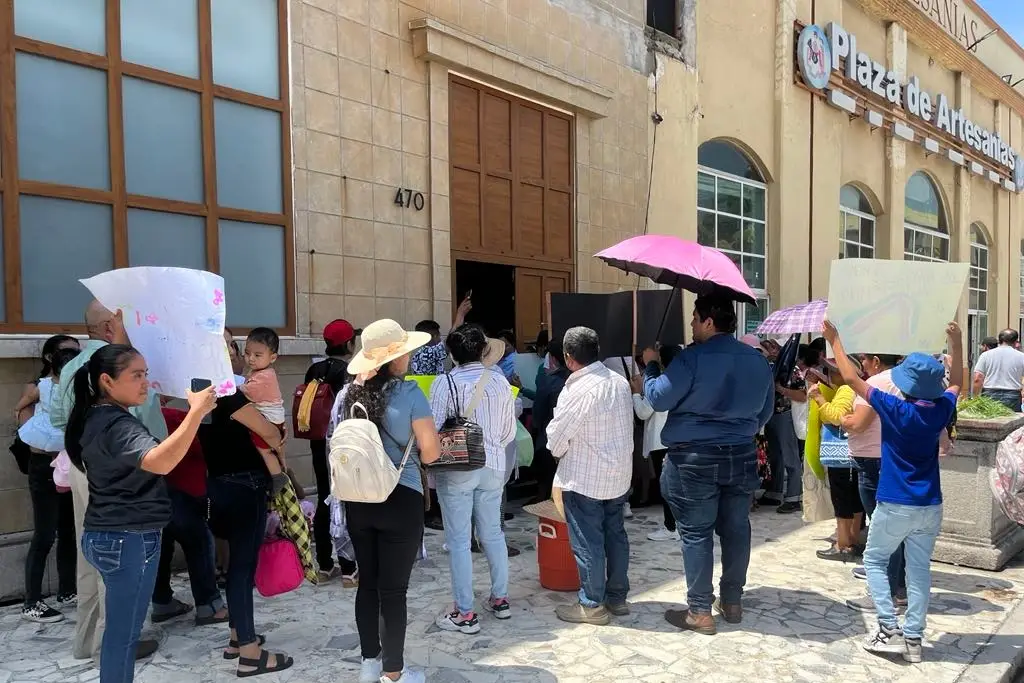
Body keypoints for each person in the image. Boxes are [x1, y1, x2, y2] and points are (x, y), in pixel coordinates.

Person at [64, 344, 217, 683]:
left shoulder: (95, 416)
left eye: (146, 374)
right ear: (107, 380)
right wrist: (194, 413)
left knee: (121, 633)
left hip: (108, 533)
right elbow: (159, 461)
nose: (145, 383)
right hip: (126, 538)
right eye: (136, 375)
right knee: (123, 637)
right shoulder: (115, 424)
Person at [824, 319, 962, 664]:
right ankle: (913, 638)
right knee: (918, 570)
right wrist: (957, 343)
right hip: (930, 503)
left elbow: (853, 379)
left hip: (895, 500)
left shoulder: (896, 407)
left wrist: (835, 341)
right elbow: (958, 381)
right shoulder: (941, 409)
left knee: (873, 559)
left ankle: (888, 628)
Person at [643, 294, 774, 635]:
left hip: (694, 458)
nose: (691, 325)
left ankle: (700, 610)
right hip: (740, 453)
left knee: (696, 533)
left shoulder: (692, 359)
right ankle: (732, 601)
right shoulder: (757, 361)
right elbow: (765, 412)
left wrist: (652, 366)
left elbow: (658, 397)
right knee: (736, 528)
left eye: (694, 318)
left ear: (709, 322)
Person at [50, 301, 168, 662]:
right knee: (119, 559)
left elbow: (57, 417)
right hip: (123, 470)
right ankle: (110, 642)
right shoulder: (119, 367)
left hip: (83, 465)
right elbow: (144, 418)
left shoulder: (72, 365)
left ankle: (85, 641)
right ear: (109, 327)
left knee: (90, 557)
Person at [332, 318, 441, 683]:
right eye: (404, 351)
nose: (410, 356)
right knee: (394, 591)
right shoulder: (409, 393)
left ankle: (369, 664)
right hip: (400, 495)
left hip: (358, 499)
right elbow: (429, 453)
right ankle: (394, 673)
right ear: (394, 358)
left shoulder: (349, 395)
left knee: (369, 585)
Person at [202, 328, 295, 677]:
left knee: (232, 567)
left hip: (217, 485)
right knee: (242, 570)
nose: (236, 352)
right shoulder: (231, 393)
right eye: (227, 347)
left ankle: (236, 635)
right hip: (244, 486)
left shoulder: (204, 392)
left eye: (233, 345)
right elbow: (271, 433)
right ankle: (250, 653)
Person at [429, 324, 517, 634]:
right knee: (492, 533)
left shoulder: (445, 384)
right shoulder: (499, 382)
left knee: (458, 541)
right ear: (483, 350)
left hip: (457, 469)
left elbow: (433, 428)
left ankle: (465, 612)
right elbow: (508, 431)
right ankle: (500, 598)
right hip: (493, 463)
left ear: (451, 354)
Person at [546, 327, 633, 626]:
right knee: (616, 535)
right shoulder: (619, 382)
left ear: (568, 358)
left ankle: (592, 603)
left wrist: (555, 449)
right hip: (618, 474)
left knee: (588, 542)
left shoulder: (578, 389)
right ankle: (617, 597)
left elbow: (557, 437)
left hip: (586, 477)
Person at [840, 353, 909, 615]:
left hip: (873, 459)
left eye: (864, 360)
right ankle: (898, 587)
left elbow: (858, 423)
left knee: (883, 529)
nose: (863, 366)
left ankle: (887, 594)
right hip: (895, 457)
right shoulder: (908, 381)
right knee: (895, 528)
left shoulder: (879, 382)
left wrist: (842, 418)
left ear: (877, 361)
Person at [19, 337, 80, 623]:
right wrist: (33, 434)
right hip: (44, 463)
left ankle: (68, 589)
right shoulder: (40, 386)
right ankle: (32, 601)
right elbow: (21, 411)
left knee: (68, 529)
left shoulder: (76, 388)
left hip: (68, 462)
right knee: (45, 532)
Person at [152, 403, 227, 626]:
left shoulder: (144, 417)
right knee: (200, 546)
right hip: (186, 491)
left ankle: (162, 601)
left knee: (161, 550)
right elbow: (201, 448)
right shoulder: (178, 416)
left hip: (157, 492)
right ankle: (209, 605)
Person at [304, 319, 361, 584]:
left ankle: (325, 565)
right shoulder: (349, 371)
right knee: (345, 502)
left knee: (325, 498)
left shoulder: (313, 369)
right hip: (342, 446)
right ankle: (349, 568)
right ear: (350, 343)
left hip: (318, 444)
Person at [807, 358, 864, 563]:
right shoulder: (856, 388)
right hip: (853, 454)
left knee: (842, 502)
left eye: (831, 371)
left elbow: (836, 416)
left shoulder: (846, 391)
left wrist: (819, 398)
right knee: (855, 501)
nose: (828, 374)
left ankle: (842, 544)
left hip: (840, 456)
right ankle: (853, 540)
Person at [634, 345, 679, 542]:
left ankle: (671, 527)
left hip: (661, 441)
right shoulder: (682, 378)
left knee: (666, 485)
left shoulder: (661, 382)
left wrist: (636, 393)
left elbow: (644, 411)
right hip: (676, 437)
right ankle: (677, 525)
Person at [238, 327, 288, 486]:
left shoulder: (265, 376)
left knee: (265, 450)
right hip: (271, 417)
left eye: (257, 355)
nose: (251, 358)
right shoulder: (259, 372)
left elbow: (248, 392)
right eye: (247, 353)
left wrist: (231, 386)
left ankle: (278, 477)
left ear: (273, 357)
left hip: (270, 419)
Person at [763, 340, 807, 514]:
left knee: (790, 456)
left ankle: (794, 497)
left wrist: (780, 389)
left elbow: (802, 395)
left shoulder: (793, 371)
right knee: (775, 456)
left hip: (785, 414)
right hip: (772, 414)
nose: (771, 350)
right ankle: (774, 492)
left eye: (774, 346)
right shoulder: (773, 367)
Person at [528, 338, 569, 503]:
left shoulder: (550, 380)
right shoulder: (579, 378)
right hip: (574, 437)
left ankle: (544, 498)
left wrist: (536, 427)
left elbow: (538, 410)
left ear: (552, 358)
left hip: (550, 434)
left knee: (545, 469)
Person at [971, 328, 1024, 411]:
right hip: (1013, 396)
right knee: (1013, 422)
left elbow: (977, 378)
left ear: (999, 340)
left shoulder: (986, 355)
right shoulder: (1021, 356)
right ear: (1015, 341)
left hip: (989, 395)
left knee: (990, 422)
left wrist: (975, 399)